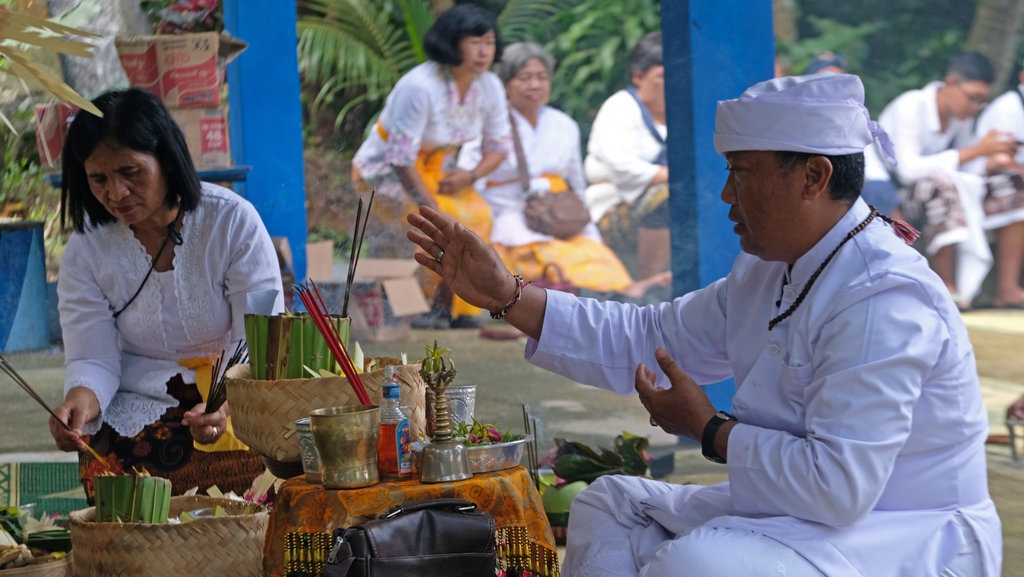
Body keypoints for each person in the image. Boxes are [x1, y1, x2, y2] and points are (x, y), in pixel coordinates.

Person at [407, 73, 1000, 576]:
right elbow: (645, 338)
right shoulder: (769, 271)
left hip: (906, 533)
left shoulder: (883, 295)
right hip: (800, 516)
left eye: (742, 173)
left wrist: (710, 431)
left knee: (696, 564)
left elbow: (838, 488)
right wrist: (506, 294)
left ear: (814, 178)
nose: (725, 194)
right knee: (609, 503)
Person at [50, 88, 284, 503]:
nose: (116, 193)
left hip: (235, 394)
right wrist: (78, 406)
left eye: (130, 172)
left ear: (167, 161)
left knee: (260, 460)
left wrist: (225, 406)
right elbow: (93, 358)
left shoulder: (230, 221)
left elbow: (259, 338)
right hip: (136, 404)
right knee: (110, 468)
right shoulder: (86, 249)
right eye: (98, 178)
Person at [458, 42, 671, 301]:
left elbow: (576, 182)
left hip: (558, 213)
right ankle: (609, 293)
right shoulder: (490, 123)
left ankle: (624, 289)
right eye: (525, 78)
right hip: (508, 212)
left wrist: (580, 218)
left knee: (591, 253)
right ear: (506, 84)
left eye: (542, 77)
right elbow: (469, 177)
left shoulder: (563, 124)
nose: (535, 85)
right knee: (543, 262)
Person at [351, 3, 510, 328]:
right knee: (437, 223)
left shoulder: (489, 86)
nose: (484, 51)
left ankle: (461, 307)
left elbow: (499, 147)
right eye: (475, 42)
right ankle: (426, 307)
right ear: (452, 43)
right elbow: (399, 159)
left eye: (489, 42)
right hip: (384, 175)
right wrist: (428, 205)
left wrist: (470, 175)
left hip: (437, 173)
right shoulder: (419, 86)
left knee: (479, 216)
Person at [865, 52, 1023, 310]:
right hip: (890, 194)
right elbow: (907, 170)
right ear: (950, 84)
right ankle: (946, 286)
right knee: (941, 185)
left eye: (982, 102)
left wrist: (993, 161)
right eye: (973, 98)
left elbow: (967, 168)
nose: (975, 108)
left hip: (935, 190)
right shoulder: (911, 105)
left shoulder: (961, 119)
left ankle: (1008, 289)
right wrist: (978, 151)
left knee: (1010, 183)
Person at [583, 31, 670, 280]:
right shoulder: (620, 107)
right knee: (665, 196)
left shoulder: (680, 112)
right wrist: (669, 176)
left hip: (663, 203)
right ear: (638, 77)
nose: (672, 83)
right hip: (612, 206)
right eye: (663, 76)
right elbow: (621, 166)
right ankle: (647, 282)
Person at [965, 61, 1024, 307]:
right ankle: (1007, 289)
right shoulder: (1008, 109)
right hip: (982, 180)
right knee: (1018, 189)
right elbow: (998, 159)